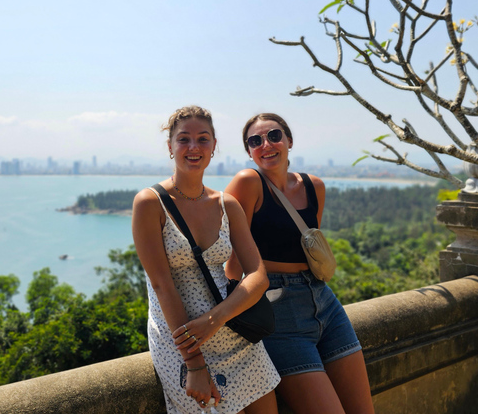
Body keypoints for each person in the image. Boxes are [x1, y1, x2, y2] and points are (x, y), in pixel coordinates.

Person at [132, 106, 280, 414]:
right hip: (184, 343)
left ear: (214, 146)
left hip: (234, 332)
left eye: (203, 139)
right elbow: (162, 285)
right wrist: (194, 363)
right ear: (170, 147)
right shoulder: (151, 203)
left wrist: (217, 318)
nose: (193, 147)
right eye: (184, 139)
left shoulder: (227, 204)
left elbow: (258, 275)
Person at [224, 113, 374, 414]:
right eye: (255, 141)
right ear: (249, 151)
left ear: (289, 141)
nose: (266, 144)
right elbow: (230, 260)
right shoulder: (248, 182)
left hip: (324, 301)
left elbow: (310, 249)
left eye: (274, 135)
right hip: (279, 309)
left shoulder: (313, 186)